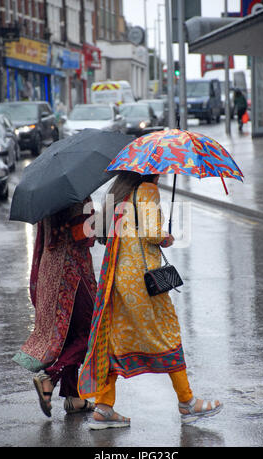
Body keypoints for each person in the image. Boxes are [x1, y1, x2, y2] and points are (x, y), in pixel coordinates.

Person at [77, 172, 223, 429]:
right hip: (142, 281)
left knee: (115, 337)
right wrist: (168, 237)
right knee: (166, 332)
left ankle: (103, 407)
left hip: (117, 278)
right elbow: (152, 234)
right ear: (150, 170)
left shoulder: (120, 192)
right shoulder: (147, 190)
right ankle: (187, 402)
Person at [12, 199, 97, 417]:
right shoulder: (78, 198)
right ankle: (50, 377)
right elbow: (82, 235)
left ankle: (74, 397)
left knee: (69, 334)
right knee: (88, 332)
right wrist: (98, 221)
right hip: (73, 273)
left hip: (50, 269)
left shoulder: (47, 200)